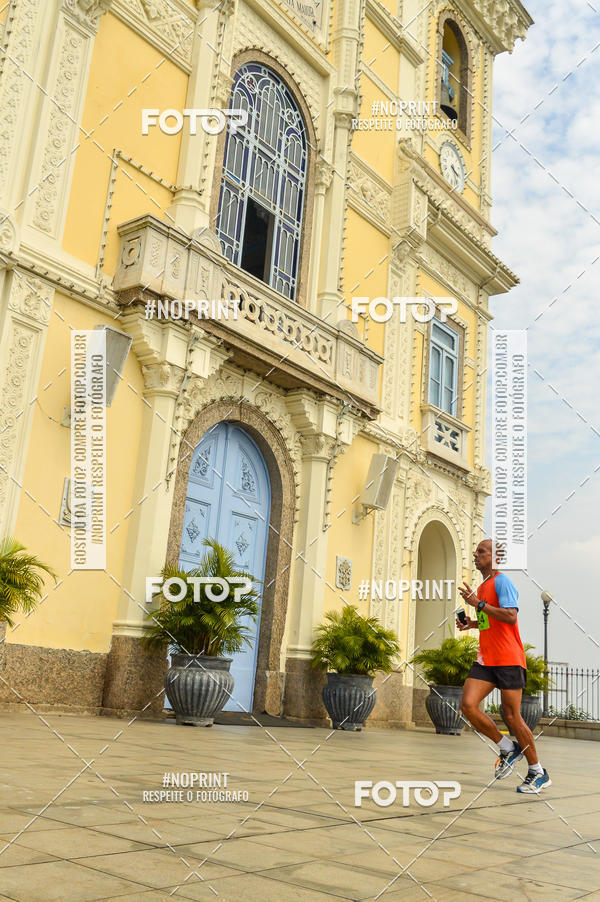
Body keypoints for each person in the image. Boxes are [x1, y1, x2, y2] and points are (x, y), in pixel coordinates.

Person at [456, 539, 551, 793]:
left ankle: (538, 772)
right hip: (486, 659)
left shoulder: (502, 582)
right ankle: (507, 747)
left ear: (494, 557)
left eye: (481, 551)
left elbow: (510, 616)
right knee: (468, 705)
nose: (475, 555)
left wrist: (478, 604)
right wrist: (471, 623)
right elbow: (489, 621)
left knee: (512, 716)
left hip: (508, 659)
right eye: (475, 551)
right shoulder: (482, 587)